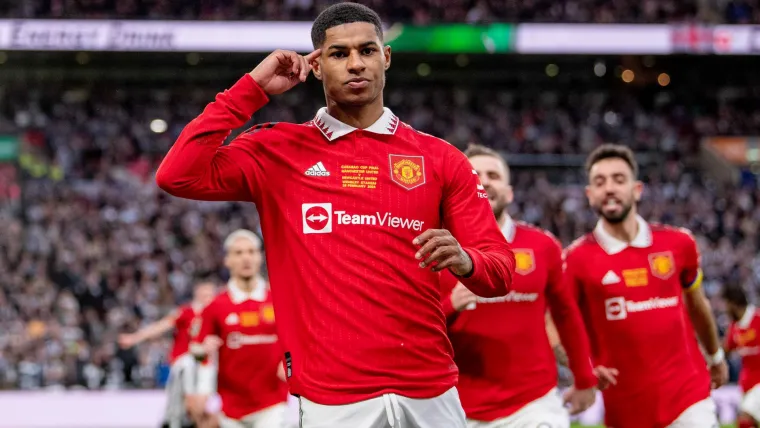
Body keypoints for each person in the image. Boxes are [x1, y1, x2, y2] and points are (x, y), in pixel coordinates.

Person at [155, 3, 515, 428]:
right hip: (334, 398)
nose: (355, 63)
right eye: (339, 54)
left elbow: (501, 272)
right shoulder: (277, 150)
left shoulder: (441, 159)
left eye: (366, 50)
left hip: (431, 388)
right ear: (317, 66)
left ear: (387, 57)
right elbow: (177, 175)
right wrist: (252, 88)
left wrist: (467, 260)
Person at [563, 143, 728, 428]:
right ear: (590, 195)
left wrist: (715, 355)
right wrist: (583, 368)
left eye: (619, 179)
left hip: (689, 396)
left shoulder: (679, 243)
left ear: (636, 189)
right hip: (626, 409)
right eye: (600, 182)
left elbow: (697, 303)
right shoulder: (575, 259)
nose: (610, 188)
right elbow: (554, 323)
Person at [439, 144, 599, 428]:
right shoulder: (436, 247)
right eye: (474, 174)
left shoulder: (543, 245)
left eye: (493, 175)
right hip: (455, 405)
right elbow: (409, 326)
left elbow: (566, 314)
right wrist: (450, 305)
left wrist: (585, 378)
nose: (484, 181)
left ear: (510, 192)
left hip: (533, 404)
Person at [192, 229, 289, 428]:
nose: (246, 258)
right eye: (239, 253)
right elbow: (196, 351)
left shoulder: (280, 300)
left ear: (260, 257)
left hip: (272, 402)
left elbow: (300, 342)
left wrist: (290, 361)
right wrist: (203, 350)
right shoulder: (216, 306)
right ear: (227, 260)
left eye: (252, 252)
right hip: (230, 407)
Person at [119, 281, 216, 428]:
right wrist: (135, 338)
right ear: (197, 295)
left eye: (210, 295)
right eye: (204, 295)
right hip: (185, 364)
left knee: (199, 410)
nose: (207, 299)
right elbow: (161, 326)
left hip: (205, 366)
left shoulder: (216, 316)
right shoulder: (186, 312)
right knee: (190, 407)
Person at [722, 284, 760, 428]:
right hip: (746, 382)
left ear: (733, 302)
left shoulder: (757, 318)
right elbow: (725, 350)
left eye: (726, 303)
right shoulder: (734, 327)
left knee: (744, 419)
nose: (724, 308)